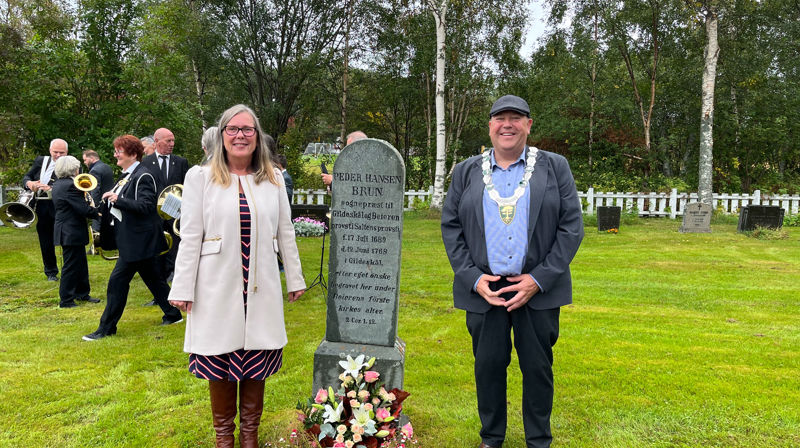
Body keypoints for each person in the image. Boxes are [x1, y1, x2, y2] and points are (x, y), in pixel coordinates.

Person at [441, 95, 583, 448]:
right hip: (485, 287)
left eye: (516, 118)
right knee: (488, 366)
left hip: (537, 287)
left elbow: (571, 227)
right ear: (489, 126)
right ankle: (491, 438)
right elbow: (451, 227)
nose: (508, 124)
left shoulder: (555, 167)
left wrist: (538, 280)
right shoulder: (465, 171)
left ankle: (538, 440)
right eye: (500, 117)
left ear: (528, 125)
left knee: (537, 368)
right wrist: (473, 278)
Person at [168, 104, 306, 448]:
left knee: (256, 362)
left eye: (247, 130)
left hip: (260, 287)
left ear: (257, 137)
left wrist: (295, 278)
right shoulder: (200, 177)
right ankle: (223, 440)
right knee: (220, 362)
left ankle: (249, 438)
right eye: (233, 129)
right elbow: (191, 235)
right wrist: (182, 287)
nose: (240, 136)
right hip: (216, 286)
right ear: (222, 135)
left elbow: (285, 232)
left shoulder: (272, 177)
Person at [82, 135, 183, 341]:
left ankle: (106, 328)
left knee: (116, 283)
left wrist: (118, 199)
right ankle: (173, 314)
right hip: (133, 239)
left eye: (119, 151)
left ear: (133, 154)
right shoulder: (127, 176)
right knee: (154, 280)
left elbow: (146, 206)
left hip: (138, 240)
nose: (115, 154)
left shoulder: (143, 176)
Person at [142, 127, 190, 287]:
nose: (172, 144)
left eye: (173, 140)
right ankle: (160, 285)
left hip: (176, 215)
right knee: (157, 252)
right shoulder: (146, 163)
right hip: (155, 216)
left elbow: (187, 188)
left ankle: (177, 280)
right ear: (156, 142)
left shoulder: (181, 162)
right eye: (168, 141)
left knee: (177, 249)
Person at [52, 156, 101, 308]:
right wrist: (99, 213)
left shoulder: (58, 184)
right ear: (73, 169)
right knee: (71, 265)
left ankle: (82, 293)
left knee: (79, 263)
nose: (78, 170)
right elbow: (82, 208)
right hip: (70, 230)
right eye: (77, 168)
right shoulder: (71, 185)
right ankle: (66, 300)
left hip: (67, 228)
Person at [21, 138, 68, 281]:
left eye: (62, 152)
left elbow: (73, 186)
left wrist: (53, 189)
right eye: (56, 152)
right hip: (42, 207)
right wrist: (29, 183)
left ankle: (69, 271)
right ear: (50, 151)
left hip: (61, 208)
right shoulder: (41, 161)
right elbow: (27, 176)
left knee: (66, 241)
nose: (59, 155)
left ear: (67, 152)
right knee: (45, 241)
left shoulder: (72, 164)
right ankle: (51, 272)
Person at [82, 149, 114, 232]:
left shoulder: (94, 170)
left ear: (92, 158)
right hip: (109, 202)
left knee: (97, 232)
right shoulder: (107, 167)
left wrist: (93, 207)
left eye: (85, 160)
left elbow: (95, 190)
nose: (84, 162)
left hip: (99, 206)